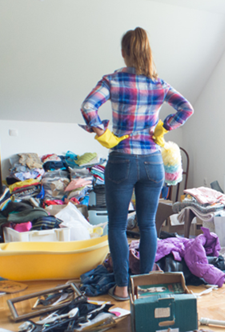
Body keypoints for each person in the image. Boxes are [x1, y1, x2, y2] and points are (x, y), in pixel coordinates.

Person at [81, 27, 193, 300]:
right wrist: (164, 126)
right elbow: (186, 108)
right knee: (147, 225)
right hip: (152, 162)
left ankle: (121, 287)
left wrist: (100, 130)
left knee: (118, 225)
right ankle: (143, 286)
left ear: (124, 53)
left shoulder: (113, 80)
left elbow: (88, 107)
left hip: (122, 159)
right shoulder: (159, 84)